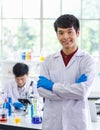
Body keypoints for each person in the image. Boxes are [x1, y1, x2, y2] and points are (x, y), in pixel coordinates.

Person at [37, 14, 96, 130]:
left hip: (77, 123)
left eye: (70, 32)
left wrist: (52, 86)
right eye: (61, 32)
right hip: (53, 123)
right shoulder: (48, 61)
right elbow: (41, 91)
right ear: (57, 35)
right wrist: (73, 90)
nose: (65, 37)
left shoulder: (87, 61)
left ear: (78, 33)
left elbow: (82, 92)